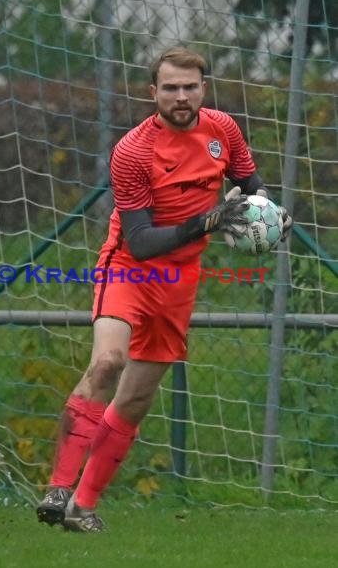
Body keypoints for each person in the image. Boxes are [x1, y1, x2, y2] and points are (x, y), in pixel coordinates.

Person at [36, 45, 292, 532]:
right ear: (153, 92)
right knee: (108, 362)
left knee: (135, 398)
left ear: (203, 89)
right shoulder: (132, 150)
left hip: (180, 280)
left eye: (189, 87)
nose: (181, 96)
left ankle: (82, 507)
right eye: (170, 88)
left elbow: (251, 185)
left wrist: (270, 216)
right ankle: (58, 486)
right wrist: (206, 223)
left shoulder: (224, 130)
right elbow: (142, 240)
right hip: (131, 267)